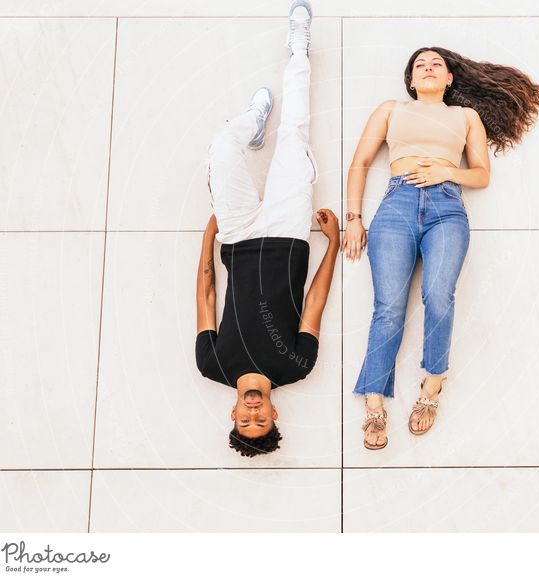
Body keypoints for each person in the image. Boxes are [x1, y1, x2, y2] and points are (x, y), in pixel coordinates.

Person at [343, 46, 539, 449]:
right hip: (397, 204)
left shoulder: (465, 117)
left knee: (438, 296)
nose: (429, 68)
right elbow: (360, 163)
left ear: (450, 78)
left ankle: (431, 385)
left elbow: (482, 174)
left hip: (446, 208)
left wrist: (445, 171)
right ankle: (374, 402)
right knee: (388, 307)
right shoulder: (390, 109)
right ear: (411, 80)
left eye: (437, 64)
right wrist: (353, 219)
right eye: (421, 65)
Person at [195, 0, 339, 457]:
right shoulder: (296, 365)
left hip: (235, 239)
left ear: (232, 415)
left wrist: (208, 237)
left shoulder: (212, 365)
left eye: (246, 421)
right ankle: (299, 49)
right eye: (261, 421)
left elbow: (206, 294)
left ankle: (251, 124)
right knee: (295, 135)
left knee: (222, 148)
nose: (253, 414)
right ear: (275, 415)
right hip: (289, 234)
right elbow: (314, 303)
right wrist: (332, 244)